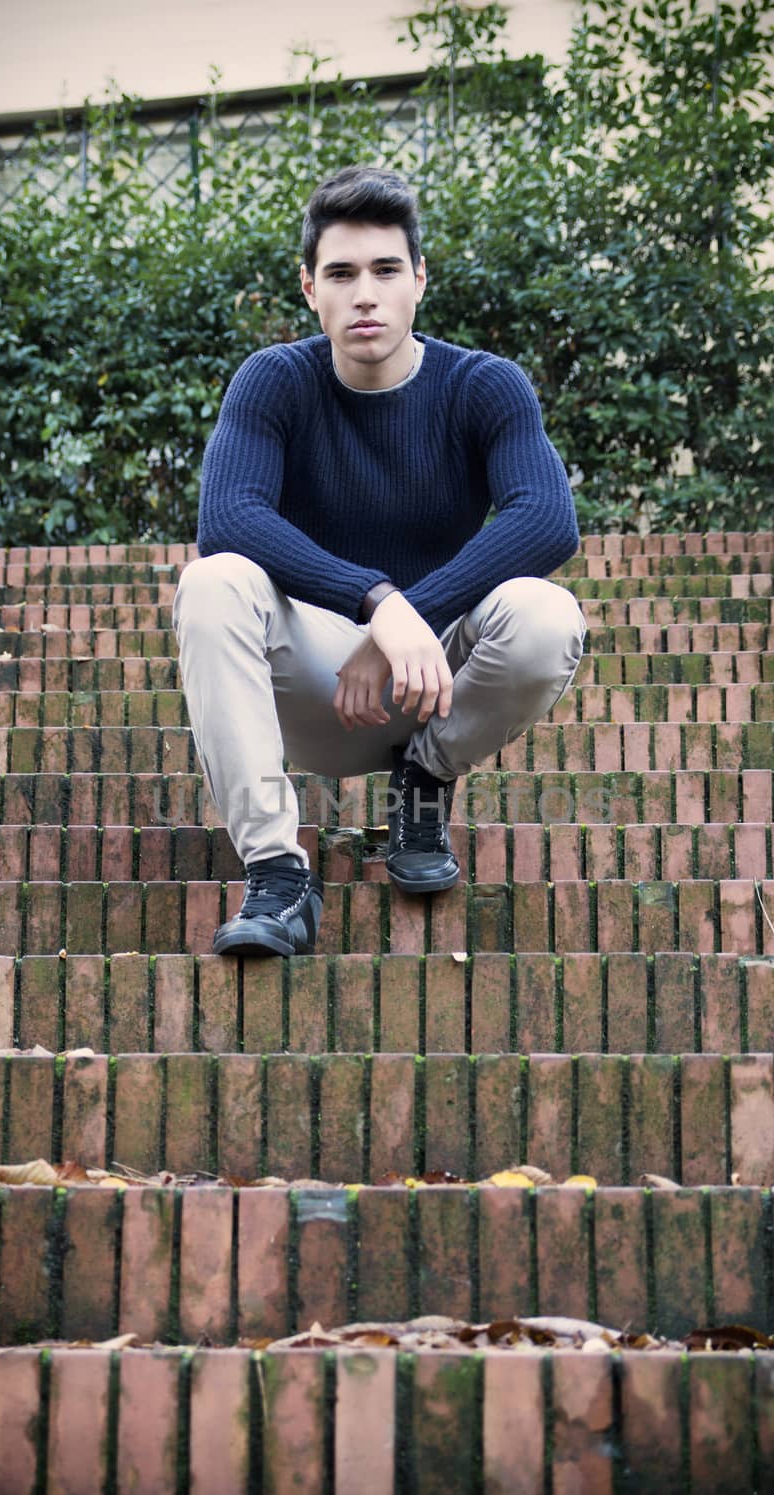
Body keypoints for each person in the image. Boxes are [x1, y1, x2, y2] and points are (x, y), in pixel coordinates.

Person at [173, 165, 585, 957]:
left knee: (546, 614)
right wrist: (376, 602)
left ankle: (424, 781)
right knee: (212, 581)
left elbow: (546, 519)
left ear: (419, 281)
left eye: (386, 270)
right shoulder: (274, 382)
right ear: (309, 289)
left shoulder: (482, 386)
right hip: (319, 685)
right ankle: (276, 876)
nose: (365, 294)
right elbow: (227, 518)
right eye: (341, 273)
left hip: (433, 691)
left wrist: (410, 615)